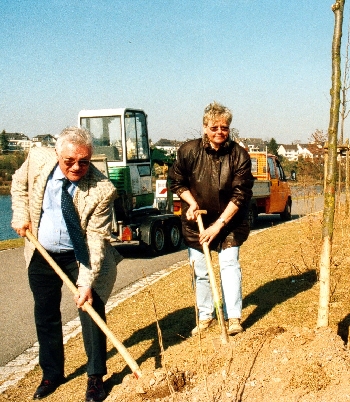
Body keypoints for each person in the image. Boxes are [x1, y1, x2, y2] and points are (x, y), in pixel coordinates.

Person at [11, 127, 122, 402]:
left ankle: (95, 377)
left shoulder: (102, 189)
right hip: (41, 251)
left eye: (83, 162)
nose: (76, 167)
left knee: (91, 306)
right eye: (69, 161)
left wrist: (85, 282)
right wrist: (21, 214)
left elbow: (96, 240)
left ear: (91, 158)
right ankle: (52, 373)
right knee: (46, 312)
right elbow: (18, 184)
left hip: (79, 254)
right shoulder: (38, 159)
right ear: (58, 154)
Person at [168, 101, 254, 336]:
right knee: (201, 270)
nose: (219, 132)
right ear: (205, 127)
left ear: (229, 129)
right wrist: (191, 202)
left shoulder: (239, 155)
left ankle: (234, 317)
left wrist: (218, 226)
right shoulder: (189, 151)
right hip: (198, 222)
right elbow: (177, 181)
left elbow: (240, 195)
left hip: (230, 222)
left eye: (224, 128)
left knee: (229, 265)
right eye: (214, 127)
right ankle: (205, 316)